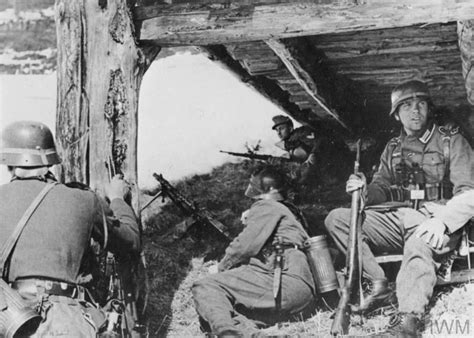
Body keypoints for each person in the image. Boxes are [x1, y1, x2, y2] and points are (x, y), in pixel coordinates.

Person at [324, 80, 474, 335]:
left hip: (436, 220)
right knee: (338, 218)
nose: (415, 111)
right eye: (406, 106)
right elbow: (381, 188)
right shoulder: (392, 149)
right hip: (399, 218)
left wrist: (443, 221)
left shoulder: (451, 141)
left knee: (418, 242)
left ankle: (407, 322)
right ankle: (378, 282)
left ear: (429, 108)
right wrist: (363, 189)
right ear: (396, 114)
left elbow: (469, 192)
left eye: (421, 104)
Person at [0, 121, 140, 336]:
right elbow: (130, 242)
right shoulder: (82, 200)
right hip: (61, 318)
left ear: (8, 162)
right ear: (51, 160)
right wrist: (118, 199)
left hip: (9, 317)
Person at [192, 166, 316, 336]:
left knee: (206, 285)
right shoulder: (291, 211)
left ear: (271, 189)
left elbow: (244, 246)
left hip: (281, 281)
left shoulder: (266, 206)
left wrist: (221, 267)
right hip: (301, 294)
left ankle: (227, 334)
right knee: (227, 307)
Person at [271, 115, 350, 189]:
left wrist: (312, 154)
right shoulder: (289, 141)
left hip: (334, 165)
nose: (278, 133)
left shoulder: (301, 133)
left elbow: (320, 141)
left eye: (281, 129)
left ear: (290, 128)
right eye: (277, 130)